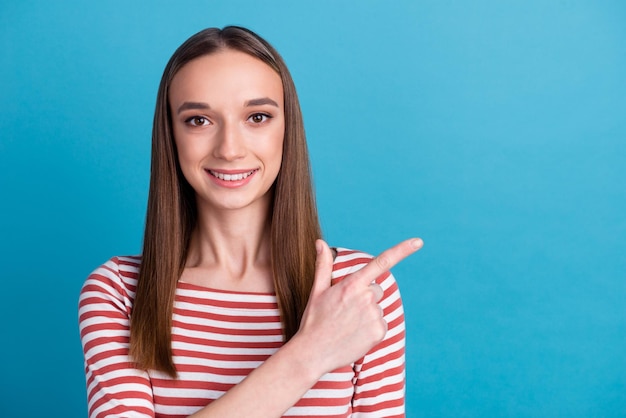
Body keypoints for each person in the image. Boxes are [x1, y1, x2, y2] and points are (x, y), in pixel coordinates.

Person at [79, 26, 423, 418]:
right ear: (170, 135)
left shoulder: (355, 288)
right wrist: (310, 354)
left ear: (286, 129)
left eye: (257, 117)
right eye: (198, 120)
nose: (229, 149)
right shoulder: (119, 292)